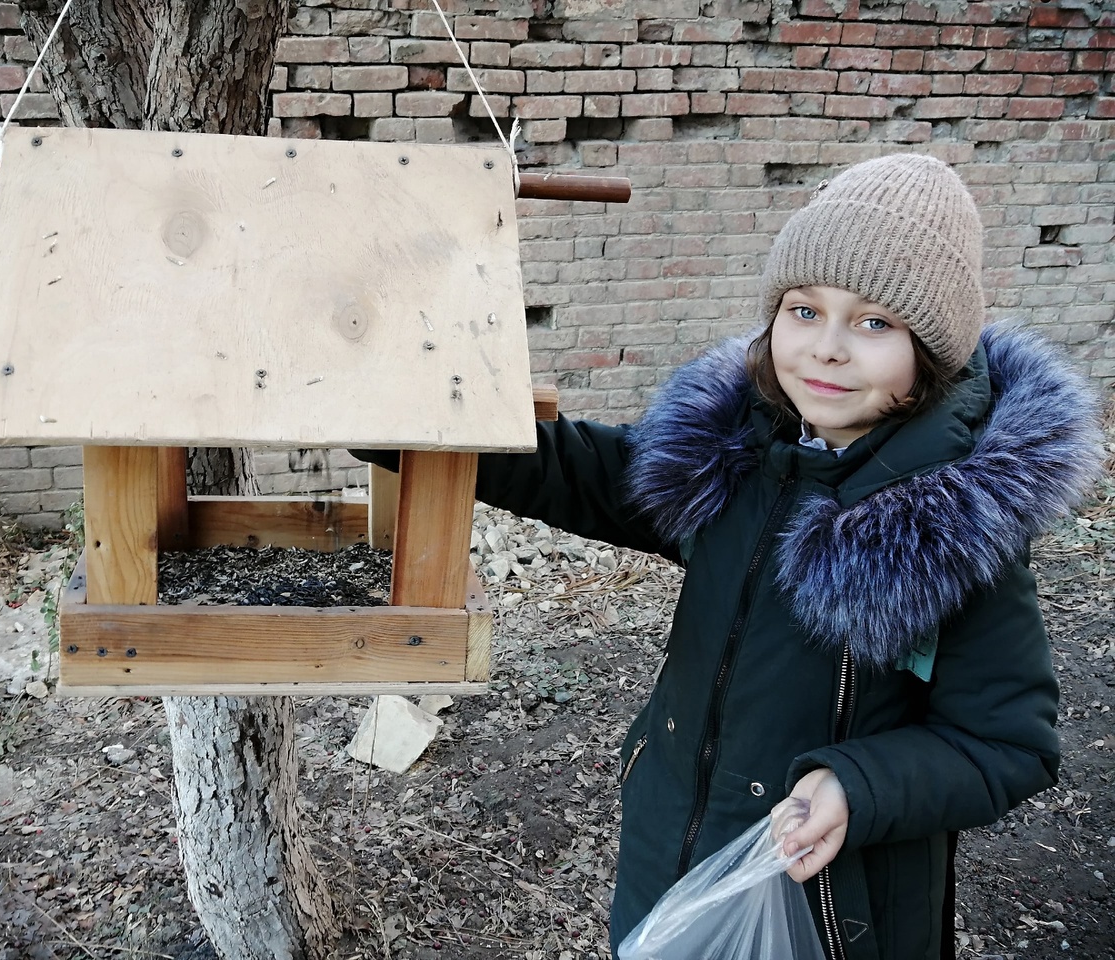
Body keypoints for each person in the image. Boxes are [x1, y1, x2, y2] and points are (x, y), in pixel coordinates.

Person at [358, 153, 1103, 960]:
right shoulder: (736, 457)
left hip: (827, 901)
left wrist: (859, 786)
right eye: (804, 310)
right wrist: (389, 420)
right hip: (669, 849)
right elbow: (575, 472)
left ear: (933, 351)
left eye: (876, 322)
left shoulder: (956, 532)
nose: (827, 349)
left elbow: (1008, 745)